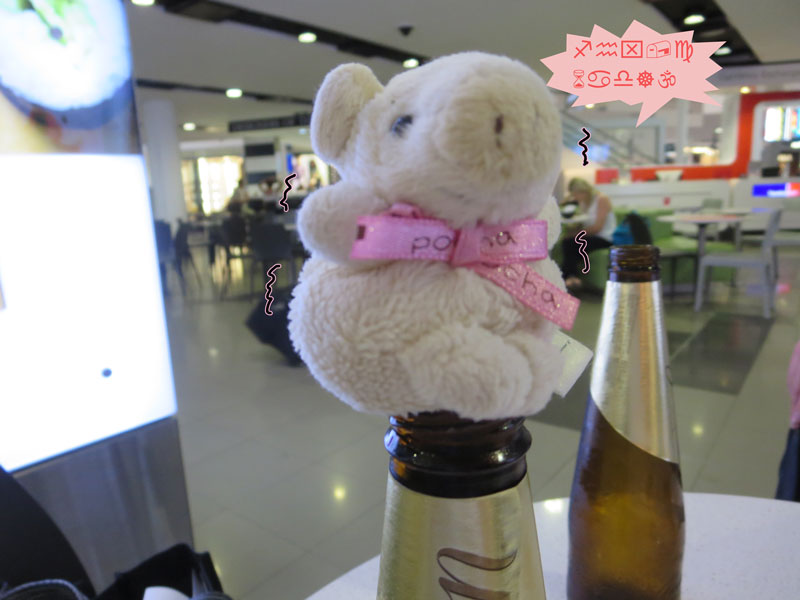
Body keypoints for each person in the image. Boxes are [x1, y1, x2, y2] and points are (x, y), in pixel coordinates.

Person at [560, 177, 616, 291]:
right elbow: (583, 223)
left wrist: (576, 234)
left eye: (576, 194)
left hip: (604, 238)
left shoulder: (601, 199)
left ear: (583, 191)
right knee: (568, 242)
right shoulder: (583, 203)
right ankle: (571, 277)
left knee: (571, 243)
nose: (575, 197)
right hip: (591, 237)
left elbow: (597, 227)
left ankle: (569, 277)